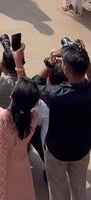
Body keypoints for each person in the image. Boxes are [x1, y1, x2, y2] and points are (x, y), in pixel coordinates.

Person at [41, 42, 91, 200]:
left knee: (57, 190)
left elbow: (31, 85)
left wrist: (49, 64)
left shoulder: (54, 94)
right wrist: (82, 56)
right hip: (82, 150)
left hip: (57, 152)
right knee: (79, 187)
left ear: (66, 69)